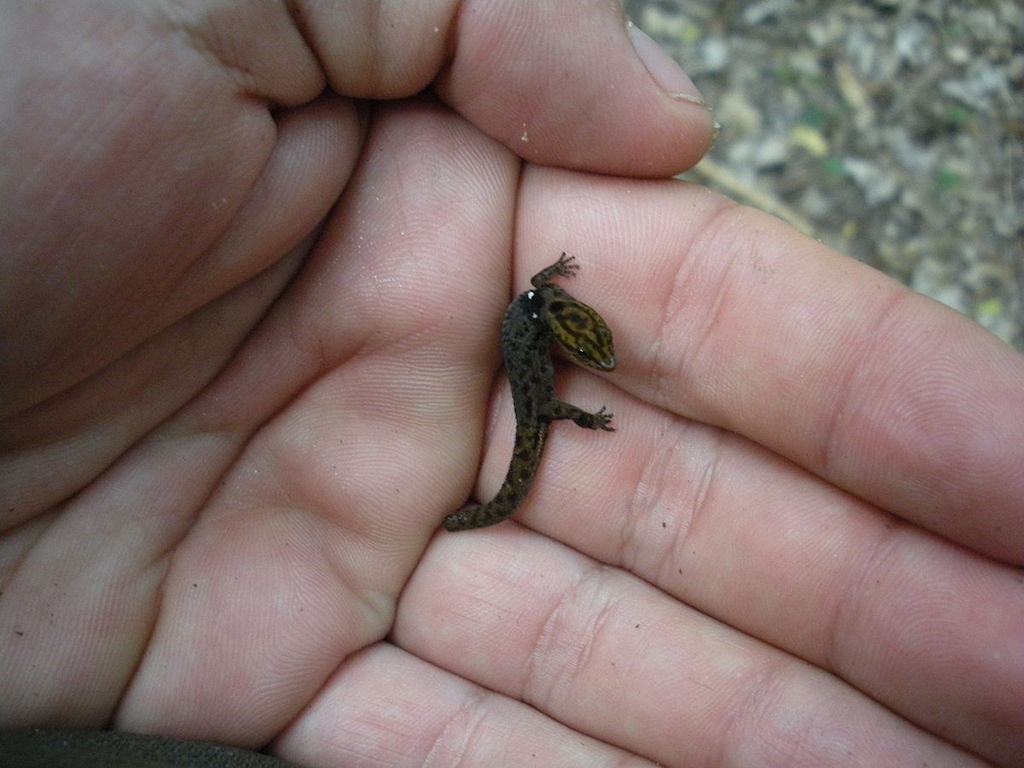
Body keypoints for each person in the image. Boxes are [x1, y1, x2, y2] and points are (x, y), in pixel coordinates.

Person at [1, 2, 1021, 766]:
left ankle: (492, 502)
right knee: (532, 435)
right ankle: (488, 504)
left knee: (537, 434)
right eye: (585, 341)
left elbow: (544, 325)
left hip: (517, 365)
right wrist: (561, 372)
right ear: (566, 326)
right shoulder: (537, 327)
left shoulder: (544, 326)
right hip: (510, 366)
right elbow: (539, 328)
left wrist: (568, 369)